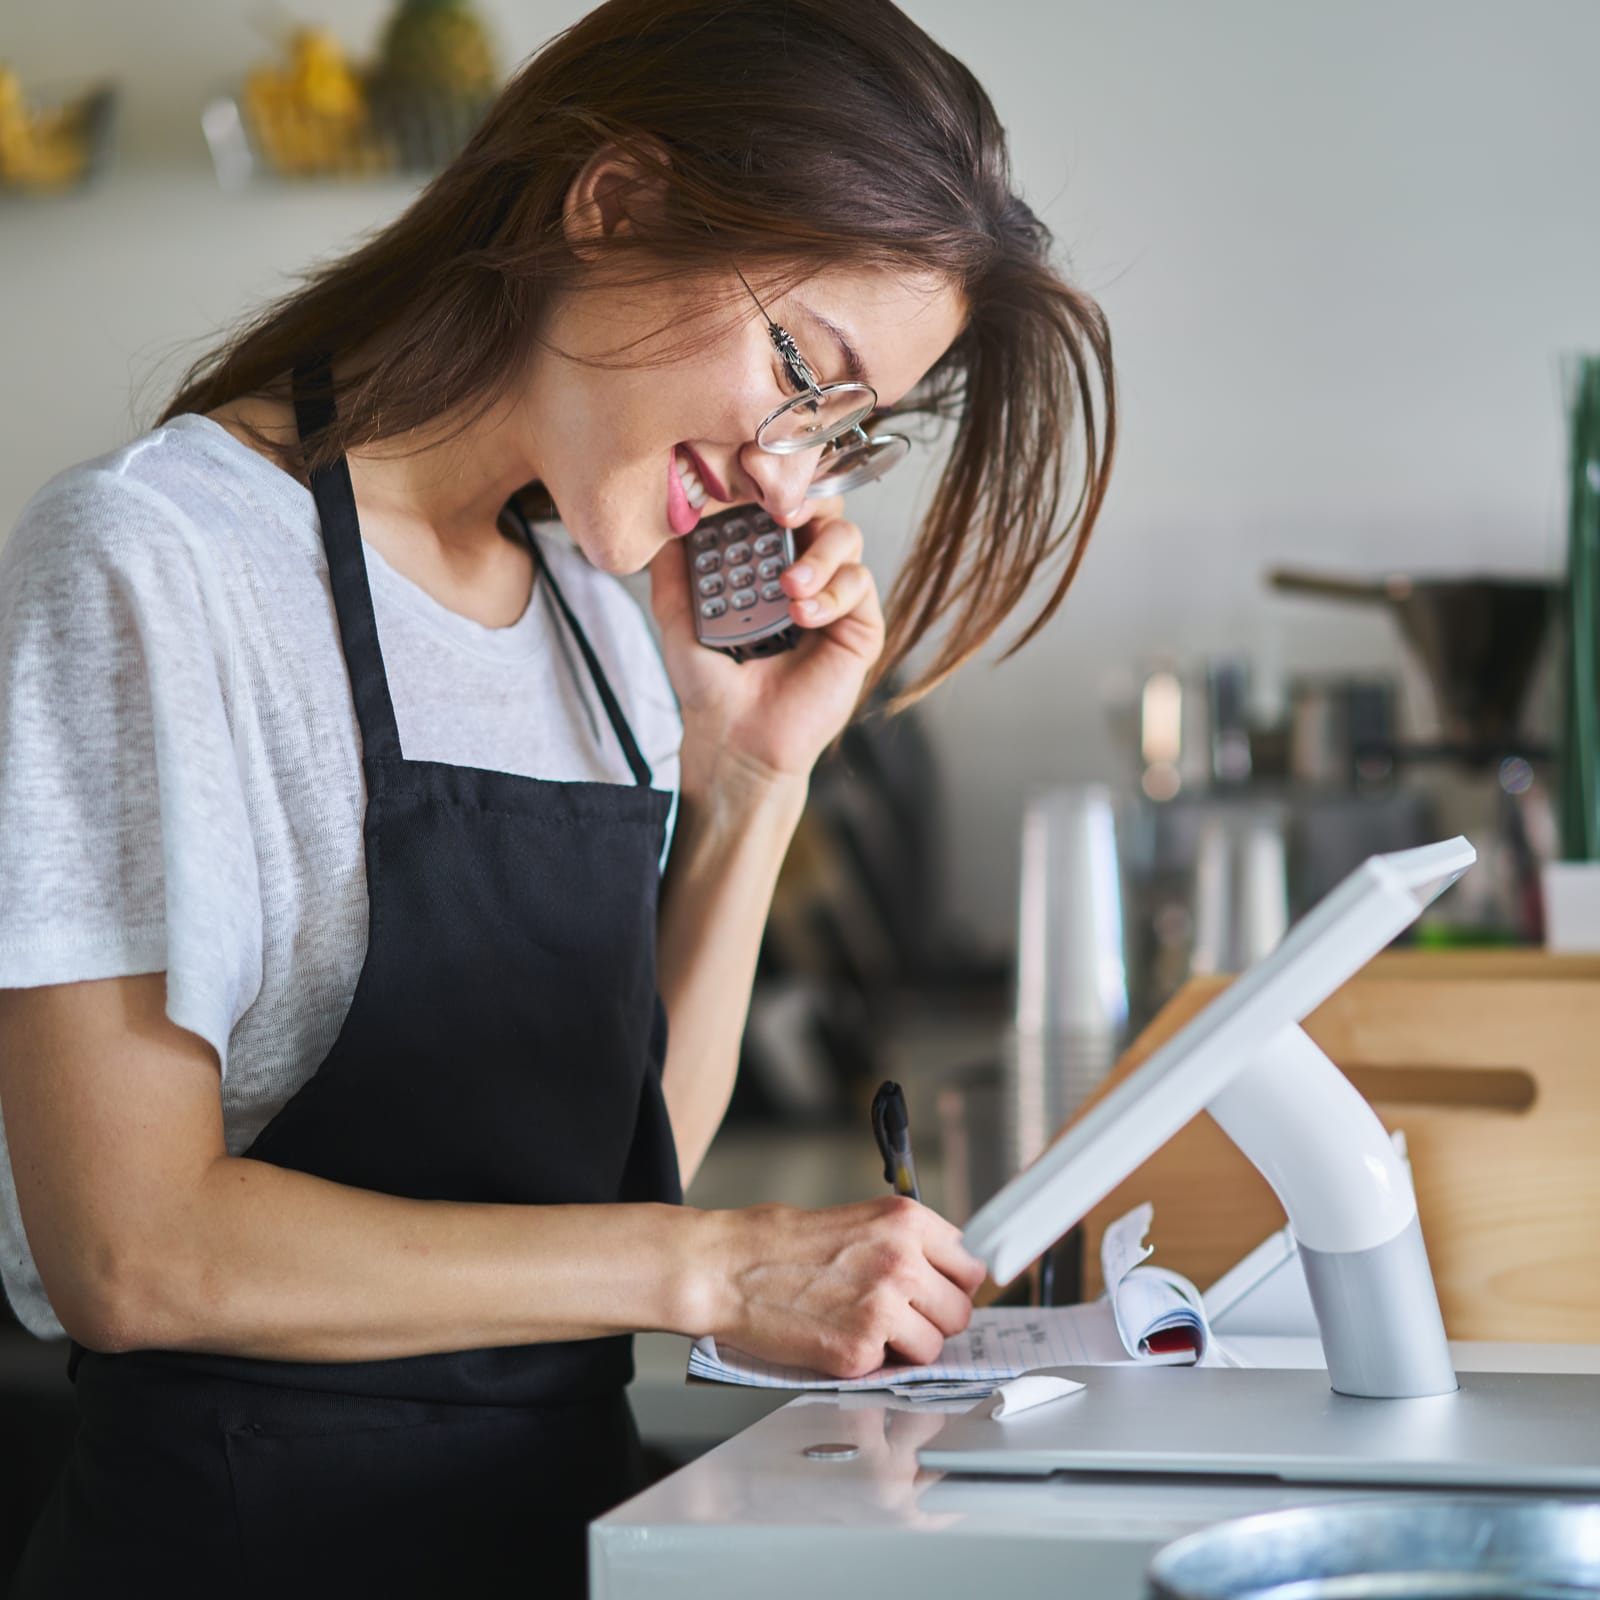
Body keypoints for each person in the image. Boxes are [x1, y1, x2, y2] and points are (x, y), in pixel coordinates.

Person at [0, 0, 1114, 1592]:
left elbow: (610, 1159)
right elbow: (129, 1252)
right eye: (801, 366)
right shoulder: (154, 561)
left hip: (565, 1541)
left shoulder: (600, 610)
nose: (791, 476)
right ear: (613, 200)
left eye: (844, 430)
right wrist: (721, 1265)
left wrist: (750, 785)